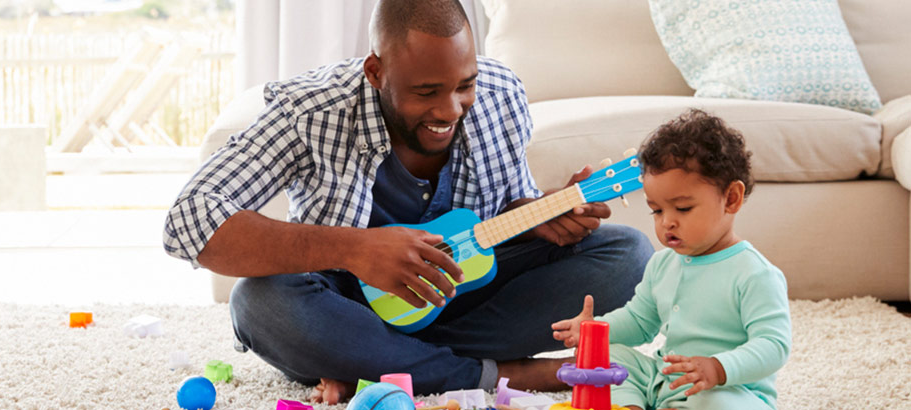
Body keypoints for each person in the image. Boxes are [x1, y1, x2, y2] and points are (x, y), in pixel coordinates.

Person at [161, 0, 652, 403]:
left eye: (464, 86)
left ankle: (377, 364)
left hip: (461, 296)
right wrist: (355, 249)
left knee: (627, 254)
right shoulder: (310, 111)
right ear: (376, 71)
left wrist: (541, 214)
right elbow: (188, 221)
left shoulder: (500, 93)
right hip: (345, 303)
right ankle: (507, 374)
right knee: (259, 303)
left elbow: (501, 217)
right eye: (426, 92)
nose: (449, 110)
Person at [551, 109, 790, 410]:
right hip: (665, 378)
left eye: (683, 209)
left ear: (731, 199)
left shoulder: (754, 274)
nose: (667, 223)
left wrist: (716, 369)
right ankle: (631, 406)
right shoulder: (662, 265)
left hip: (728, 390)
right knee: (611, 358)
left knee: (716, 403)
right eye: (658, 210)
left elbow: (773, 346)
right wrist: (595, 329)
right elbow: (639, 321)